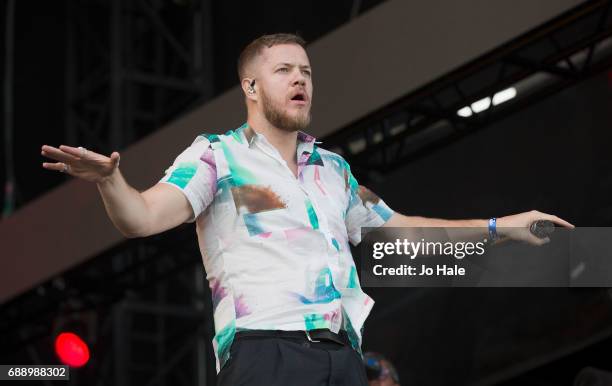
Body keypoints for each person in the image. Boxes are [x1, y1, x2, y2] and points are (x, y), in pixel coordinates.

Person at [40, 33, 574, 385]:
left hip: (342, 356)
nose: (300, 80)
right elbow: (141, 218)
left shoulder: (333, 169)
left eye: (307, 72)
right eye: (284, 71)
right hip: (265, 350)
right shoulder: (217, 155)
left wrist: (501, 228)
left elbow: (404, 229)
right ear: (250, 86)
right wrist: (111, 182)